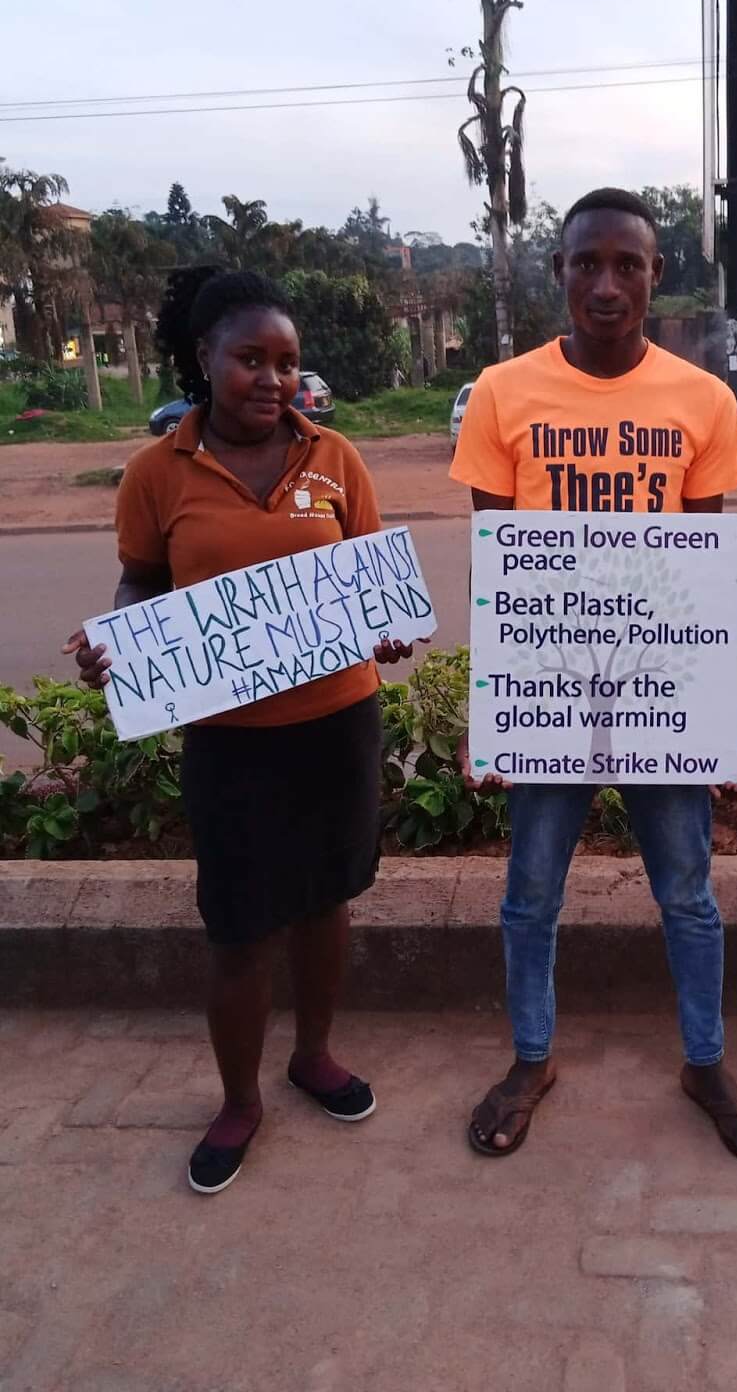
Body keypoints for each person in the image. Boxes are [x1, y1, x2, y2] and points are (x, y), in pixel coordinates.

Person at [64, 268, 413, 1196]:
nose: (273, 379)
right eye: (251, 359)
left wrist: (385, 624)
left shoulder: (336, 457)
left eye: (287, 362)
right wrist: (123, 643)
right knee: (238, 928)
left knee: (328, 901)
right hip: (229, 740)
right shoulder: (156, 472)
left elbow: (371, 578)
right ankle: (239, 1100)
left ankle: (315, 1056)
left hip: (337, 723)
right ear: (204, 358)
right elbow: (142, 580)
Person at [450, 187, 737, 1162]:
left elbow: (703, 574)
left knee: (688, 894)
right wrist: (492, 707)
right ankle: (531, 1057)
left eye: (626, 264)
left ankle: (706, 1062)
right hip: (550, 685)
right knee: (529, 893)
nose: (605, 283)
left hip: (658, 687)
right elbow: (498, 571)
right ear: (558, 271)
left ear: (654, 275)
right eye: (586, 263)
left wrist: (720, 711)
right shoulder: (502, 394)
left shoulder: (702, 400)